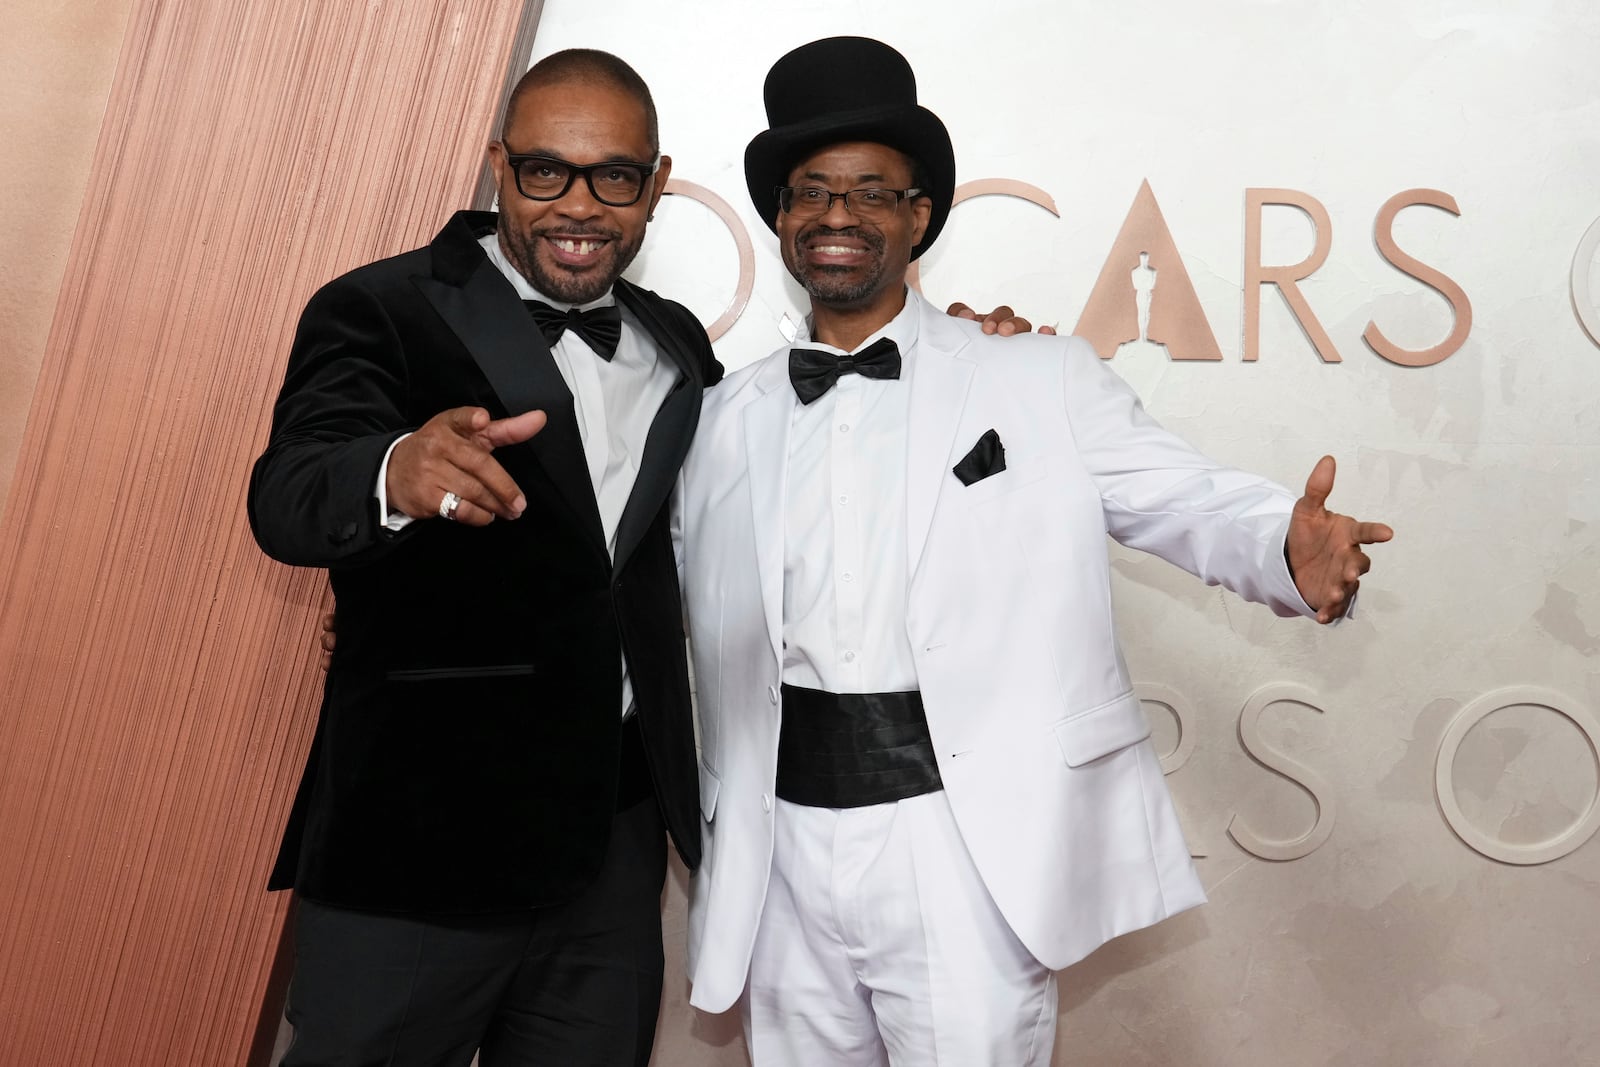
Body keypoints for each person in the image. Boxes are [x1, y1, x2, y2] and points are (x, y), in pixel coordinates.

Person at [252, 47, 1038, 1066]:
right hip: (415, 849)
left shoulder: (679, 348)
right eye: (545, 171)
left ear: (655, 187)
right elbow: (290, 492)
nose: (578, 206)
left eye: (613, 177)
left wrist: (966, 361)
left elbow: (779, 490)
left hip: (608, 859)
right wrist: (394, 469)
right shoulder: (381, 306)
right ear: (499, 167)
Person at [675, 36, 1393, 1066]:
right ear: (782, 217)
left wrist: (1284, 544)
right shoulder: (715, 419)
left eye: (871, 193)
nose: (838, 216)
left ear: (918, 215)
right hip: (778, 844)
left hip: (962, 840)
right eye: (811, 192)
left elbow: (1181, 496)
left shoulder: (1035, 376)